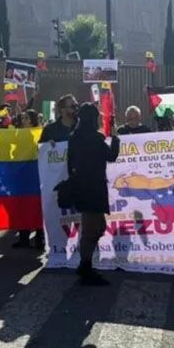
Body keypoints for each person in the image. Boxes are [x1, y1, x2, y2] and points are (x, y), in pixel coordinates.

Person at [67, 103, 120, 286]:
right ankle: (85, 267)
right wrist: (115, 137)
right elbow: (112, 155)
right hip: (94, 188)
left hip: (83, 188)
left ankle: (86, 263)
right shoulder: (96, 138)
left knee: (98, 227)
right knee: (91, 231)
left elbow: (69, 163)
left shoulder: (74, 137)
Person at [13, 109, 45, 249]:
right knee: (22, 206)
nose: (23, 120)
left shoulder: (40, 133)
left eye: (26, 118)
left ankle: (40, 239)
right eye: (22, 118)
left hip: (37, 174)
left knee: (38, 206)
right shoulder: (18, 135)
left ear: (32, 120)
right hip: (22, 174)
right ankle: (23, 238)